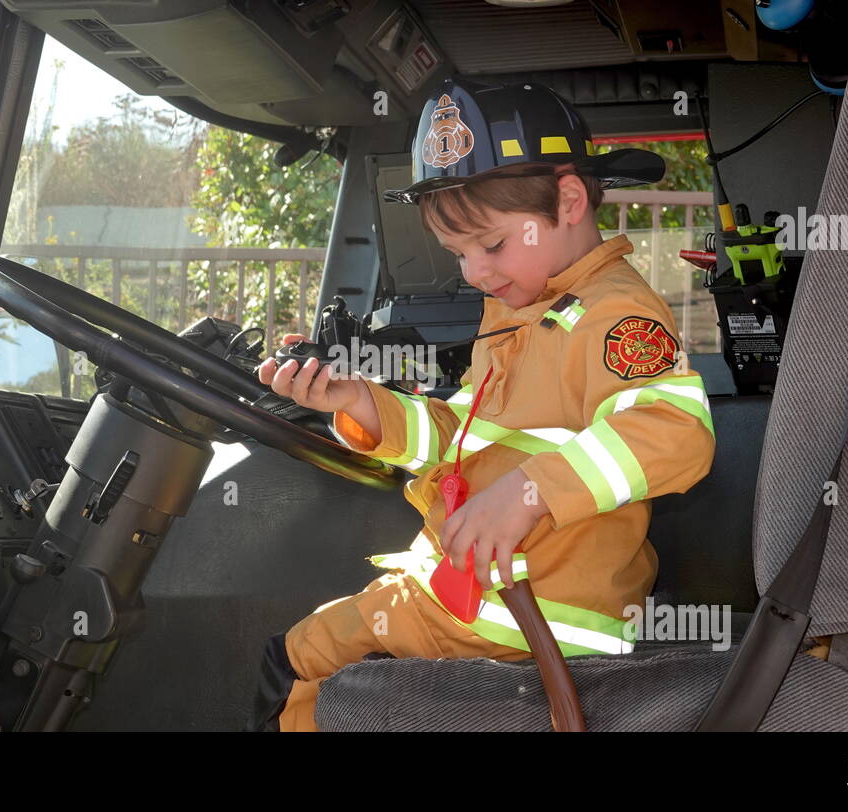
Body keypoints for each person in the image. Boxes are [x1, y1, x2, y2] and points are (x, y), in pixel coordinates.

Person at [246, 78, 717, 732]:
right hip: (473, 595)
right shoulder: (519, 310)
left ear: (570, 199)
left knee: (298, 659)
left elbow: (678, 432)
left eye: (491, 245)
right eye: (458, 253)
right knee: (303, 649)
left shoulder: (617, 313)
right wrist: (362, 402)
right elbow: (462, 439)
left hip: (533, 619)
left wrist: (528, 493)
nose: (474, 272)